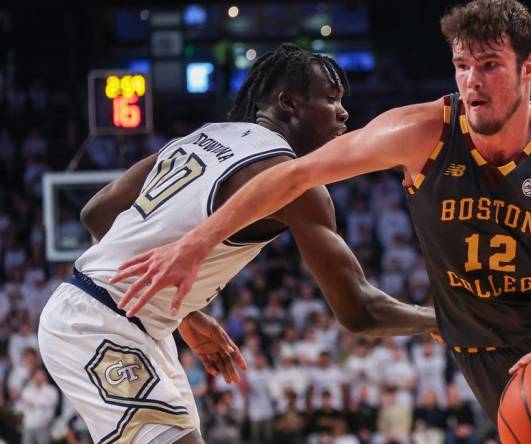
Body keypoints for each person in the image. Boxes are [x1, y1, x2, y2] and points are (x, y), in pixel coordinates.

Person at [112, 2, 531, 441]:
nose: (472, 82)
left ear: (528, 68)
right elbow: (291, 176)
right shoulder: (421, 132)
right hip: (484, 339)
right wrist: (196, 243)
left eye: (490, 66)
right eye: (463, 65)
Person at [38, 44, 436, 444]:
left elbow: (98, 211)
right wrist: (441, 320)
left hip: (122, 317)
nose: (344, 112)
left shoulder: (203, 136)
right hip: (100, 322)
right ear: (289, 103)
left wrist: (186, 314)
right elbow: (359, 311)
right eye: (331, 99)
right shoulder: (291, 180)